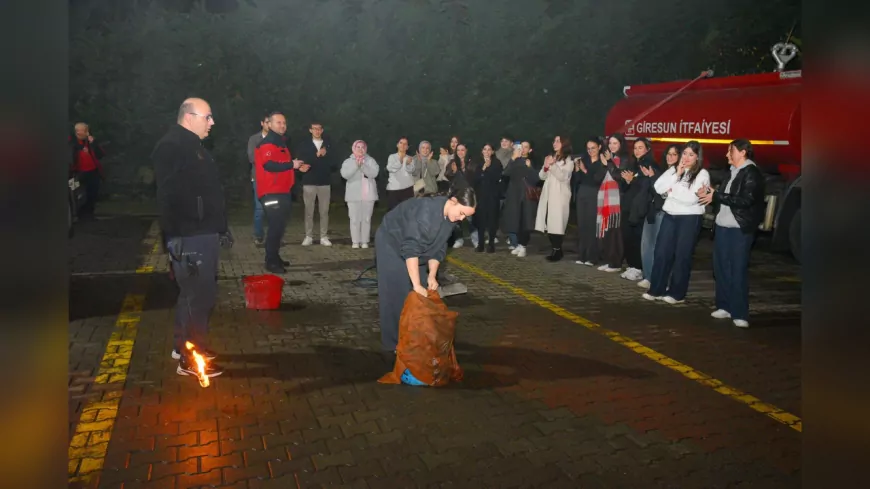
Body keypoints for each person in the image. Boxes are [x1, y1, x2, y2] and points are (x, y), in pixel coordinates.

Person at [152, 97, 231, 378]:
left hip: (201, 232)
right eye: (207, 117)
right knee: (198, 296)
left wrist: (218, 224)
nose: (212, 122)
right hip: (190, 235)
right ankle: (191, 359)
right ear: (189, 117)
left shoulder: (192, 145)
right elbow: (169, 196)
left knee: (194, 294)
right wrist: (182, 236)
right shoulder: (173, 147)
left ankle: (181, 346)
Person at [375, 187, 477, 352]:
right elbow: (411, 249)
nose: (462, 218)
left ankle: (415, 335)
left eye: (466, 216)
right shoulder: (426, 212)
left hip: (414, 248)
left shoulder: (451, 217)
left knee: (423, 292)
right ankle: (394, 343)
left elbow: (439, 248)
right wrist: (415, 284)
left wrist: (432, 277)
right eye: (462, 213)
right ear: (453, 201)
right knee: (397, 292)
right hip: (391, 242)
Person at [698, 139, 766, 328]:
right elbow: (725, 198)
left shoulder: (751, 173)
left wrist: (717, 195)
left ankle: (739, 312)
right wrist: (711, 193)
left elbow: (746, 200)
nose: (727, 155)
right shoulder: (732, 172)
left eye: (731, 151)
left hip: (739, 229)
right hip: (723, 226)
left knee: (737, 269)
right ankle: (724, 306)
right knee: (721, 268)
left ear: (743, 152)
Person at [643, 140, 711, 304]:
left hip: (689, 218)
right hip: (670, 215)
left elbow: (691, 198)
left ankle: (677, 293)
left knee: (682, 255)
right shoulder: (674, 170)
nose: (686, 158)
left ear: (697, 157)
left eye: (691, 155)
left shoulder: (702, 174)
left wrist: (671, 193)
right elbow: (658, 188)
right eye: (685, 154)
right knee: (662, 252)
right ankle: (656, 289)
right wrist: (676, 176)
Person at [254, 111, 304, 273]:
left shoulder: (280, 143)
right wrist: (292, 165)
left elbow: (282, 164)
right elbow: (269, 165)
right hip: (271, 192)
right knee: (275, 227)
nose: (282, 125)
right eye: (278, 122)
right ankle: (270, 262)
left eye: (284, 123)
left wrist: (296, 166)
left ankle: (275, 257)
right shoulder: (267, 143)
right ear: (268, 124)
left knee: (280, 227)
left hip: (282, 191)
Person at [295, 121, 334, 246]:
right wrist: (315, 156)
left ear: (322, 130)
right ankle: (308, 236)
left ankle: (324, 236)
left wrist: (326, 155)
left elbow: (335, 164)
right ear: (310, 130)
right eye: (314, 128)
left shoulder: (328, 145)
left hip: (324, 182)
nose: (317, 131)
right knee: (309, 211)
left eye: (319, 129)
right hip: (309, 182)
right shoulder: (304, 145)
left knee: (324, 211)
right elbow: (301, 163)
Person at [340, 140, 380, 248]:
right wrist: (356, 166)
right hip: (353, 196)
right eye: (358, 147)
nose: (360, 149)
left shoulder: (370, 160)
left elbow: (374, 173)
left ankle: (365, 241)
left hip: (368, 195)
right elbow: (345, 174)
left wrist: (363, 166)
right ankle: (355, 241)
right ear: (353, 148)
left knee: (366, 219)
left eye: (363, 147)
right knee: (354, 219)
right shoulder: (348, 162)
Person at [70, 122, 105, 217]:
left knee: (93, 192)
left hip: (92, 172)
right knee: (74, 192)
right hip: (77, 173)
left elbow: (101, 154)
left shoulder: (91, 143)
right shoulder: (72, 142)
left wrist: (93, 143)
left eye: (84, 131)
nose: (81, 133)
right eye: (79, 131)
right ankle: (77, 214)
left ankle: (89, 213)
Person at [246, 114, 269, 246]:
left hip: (274, 179)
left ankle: (274, 235)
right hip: (259, 178)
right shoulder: (254, 139)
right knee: (260, 208)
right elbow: (252, 157)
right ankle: (259, 235)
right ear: (262, 123)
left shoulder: (276, 139)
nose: (269, 125)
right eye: (267, 122)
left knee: (274, 209)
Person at [385, 137, 416, 210]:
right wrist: (400, 161)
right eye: (401, 143)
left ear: (407, 147)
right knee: (394, 213)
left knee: (407, 212)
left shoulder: (410, 158)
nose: (403, 145)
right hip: (394, 190)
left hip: (408, 189)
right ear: (397, 145)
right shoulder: (392, 157)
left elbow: (412, 170)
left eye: (405, 144)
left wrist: (407, 164)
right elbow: (390, 169)